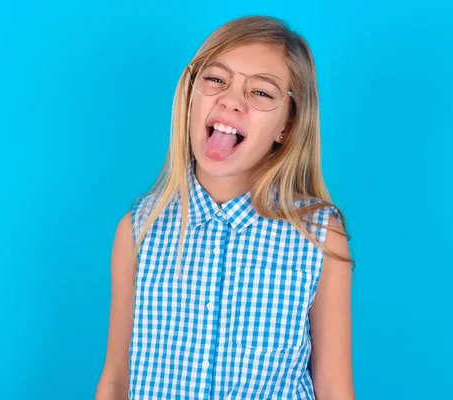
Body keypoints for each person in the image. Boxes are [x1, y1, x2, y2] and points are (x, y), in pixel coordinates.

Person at [96, 15, 355, 400]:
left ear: (288, 126)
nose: (231, 100)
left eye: (262, 93)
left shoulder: (318, 235)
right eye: (216, 79)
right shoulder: (139, 228)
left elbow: (334, 386)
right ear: (189, 96)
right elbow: (117, 377)